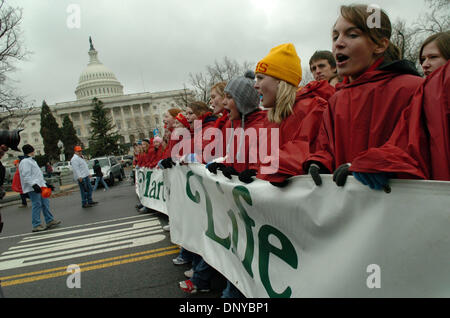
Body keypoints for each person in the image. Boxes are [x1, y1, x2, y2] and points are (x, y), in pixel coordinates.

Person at [303, 4, 424, 189]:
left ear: (380, 45)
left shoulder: (413, 88)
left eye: (352, 35)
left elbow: (415, 150)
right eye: (335, 36)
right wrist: (319, 163)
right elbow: (325, 148)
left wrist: (375, 166)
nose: (338, 43)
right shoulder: (336, 100)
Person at [349, 34, 450, 186]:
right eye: (423, 60)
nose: (425, 65)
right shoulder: (424, 93)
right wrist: (375, 164)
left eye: (433, 57)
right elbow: (409, 142)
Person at [242, 43, 332, 186]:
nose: (255, 85)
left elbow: (301, 153)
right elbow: (263, 156)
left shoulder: (313, 108)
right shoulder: (270, 117)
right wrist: (254, 170)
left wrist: (270, 170)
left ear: (279, 80)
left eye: (260, 78)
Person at [18, 144, 61, 232]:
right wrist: (34, 185)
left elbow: (37, 175)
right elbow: (26, 176)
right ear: (31, 151)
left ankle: (49, 220)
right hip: (34, 187)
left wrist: (45, 184)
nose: (34, 152)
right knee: (36, 204)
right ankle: (36, 224)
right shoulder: (26, 162)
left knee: (45, 203)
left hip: (40, 186)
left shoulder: (31, 161)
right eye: (33, 150)